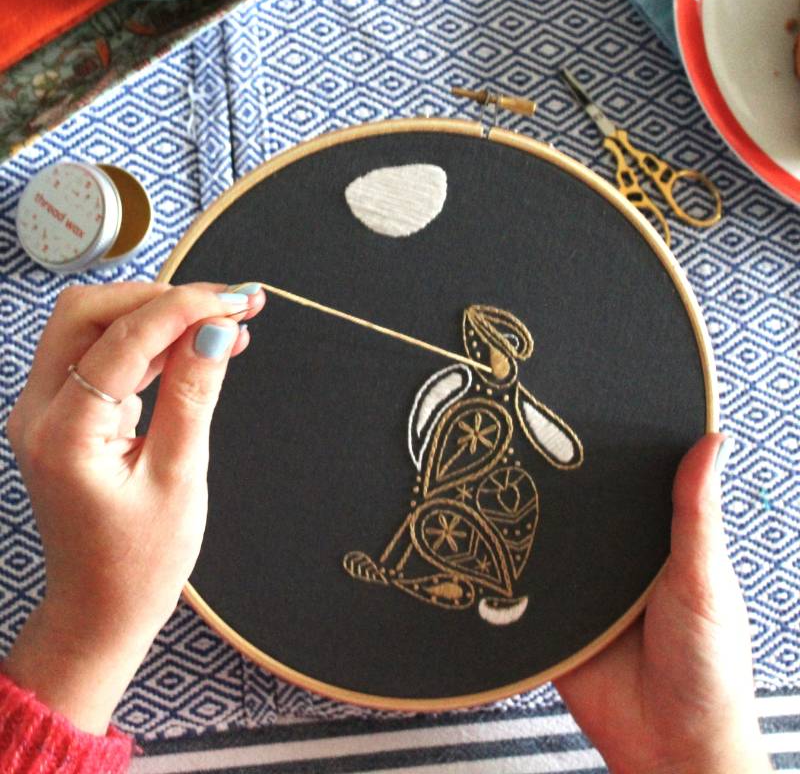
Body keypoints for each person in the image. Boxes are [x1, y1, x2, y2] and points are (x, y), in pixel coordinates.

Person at [0, 282, 773, 773]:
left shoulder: (508, 402)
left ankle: (481, 579)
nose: (485, 356)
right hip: (445, 492)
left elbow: (558, 448)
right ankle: (438, 569)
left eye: (495, 351)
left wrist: (82, 631)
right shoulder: (451, 382)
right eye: (483, 348)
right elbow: (425, 431)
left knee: (480, 525)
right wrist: (693, 753)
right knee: (437, 523)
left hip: (488, 496)